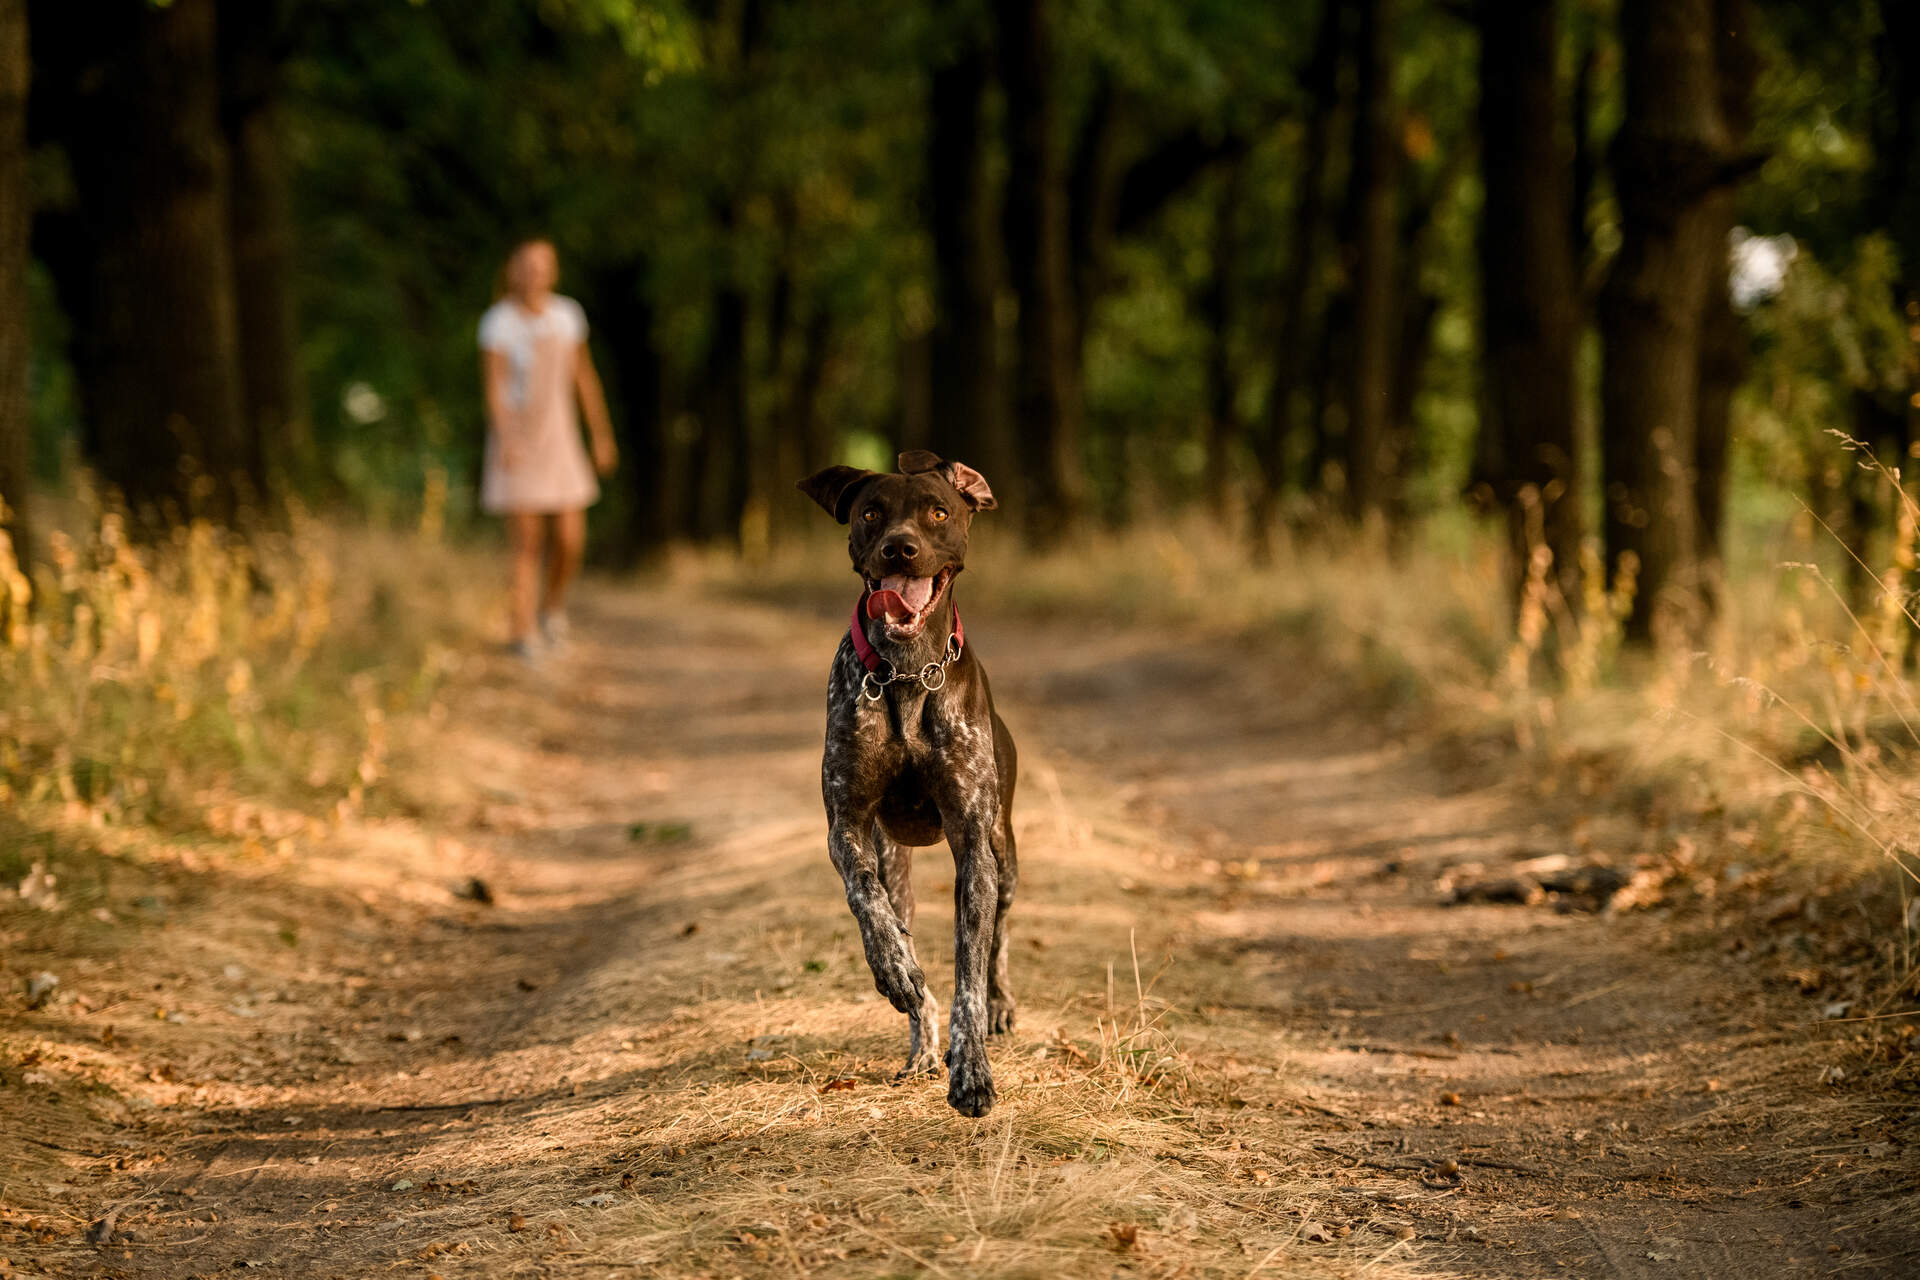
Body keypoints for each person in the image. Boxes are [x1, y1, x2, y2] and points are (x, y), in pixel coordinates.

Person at [478, 237, 618, 659]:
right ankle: (521, 632)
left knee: (571, 537)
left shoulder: (567, 315)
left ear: (553, 271)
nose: (535, 273)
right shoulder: (497, 322)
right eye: (527, 265)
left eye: (543, 265)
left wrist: (601, 434)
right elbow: (495, 388)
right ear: (512, 270)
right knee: (526, 542)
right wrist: (507, 439)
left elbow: (583, 378)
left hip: (561, 439)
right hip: (518, 439)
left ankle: (551, 609)